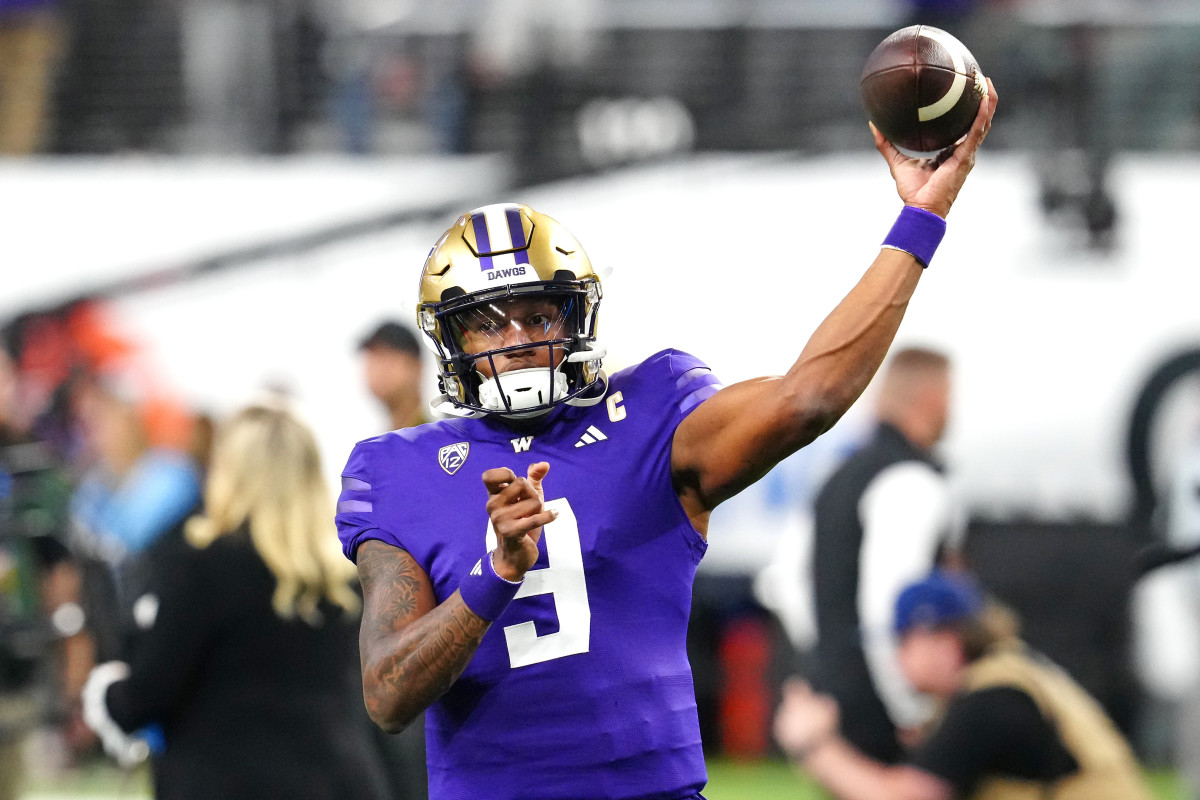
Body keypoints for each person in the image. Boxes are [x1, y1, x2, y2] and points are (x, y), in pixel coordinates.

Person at [335, 83, 998, 800]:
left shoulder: (651, 411)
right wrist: (495, 574)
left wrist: (919, 219)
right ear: (451, 337)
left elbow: (808, 398)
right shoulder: (396, 467)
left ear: (576, 319)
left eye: (538, 315)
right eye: (490, 323)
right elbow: (388, 694)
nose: (519, 341)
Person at [80, 403, 391, 800]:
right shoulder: (342, 575)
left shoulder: (203, 565)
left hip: (228, 783)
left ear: (231, 471)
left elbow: (146, 695)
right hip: (341, 782)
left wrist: (105, 693)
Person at [773, 570, 1154, 800]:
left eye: (904, 642)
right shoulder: (1006, 675)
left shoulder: (990, 699)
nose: (896, 658)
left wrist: (815, 746)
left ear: (946, 642)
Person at [807, 346, 961, 763]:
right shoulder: (910, 478)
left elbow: (787, 581)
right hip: (882, 710)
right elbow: (892, 604)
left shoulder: (839, 476)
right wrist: (908, 707)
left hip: (836, 695)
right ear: (934, 399)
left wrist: (821, 676)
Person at [358, 320, 428, 431]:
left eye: (385, 357)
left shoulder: (447, 433)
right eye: (372, 359)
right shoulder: (378, 445)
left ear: (416, 366)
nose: (378, 370)